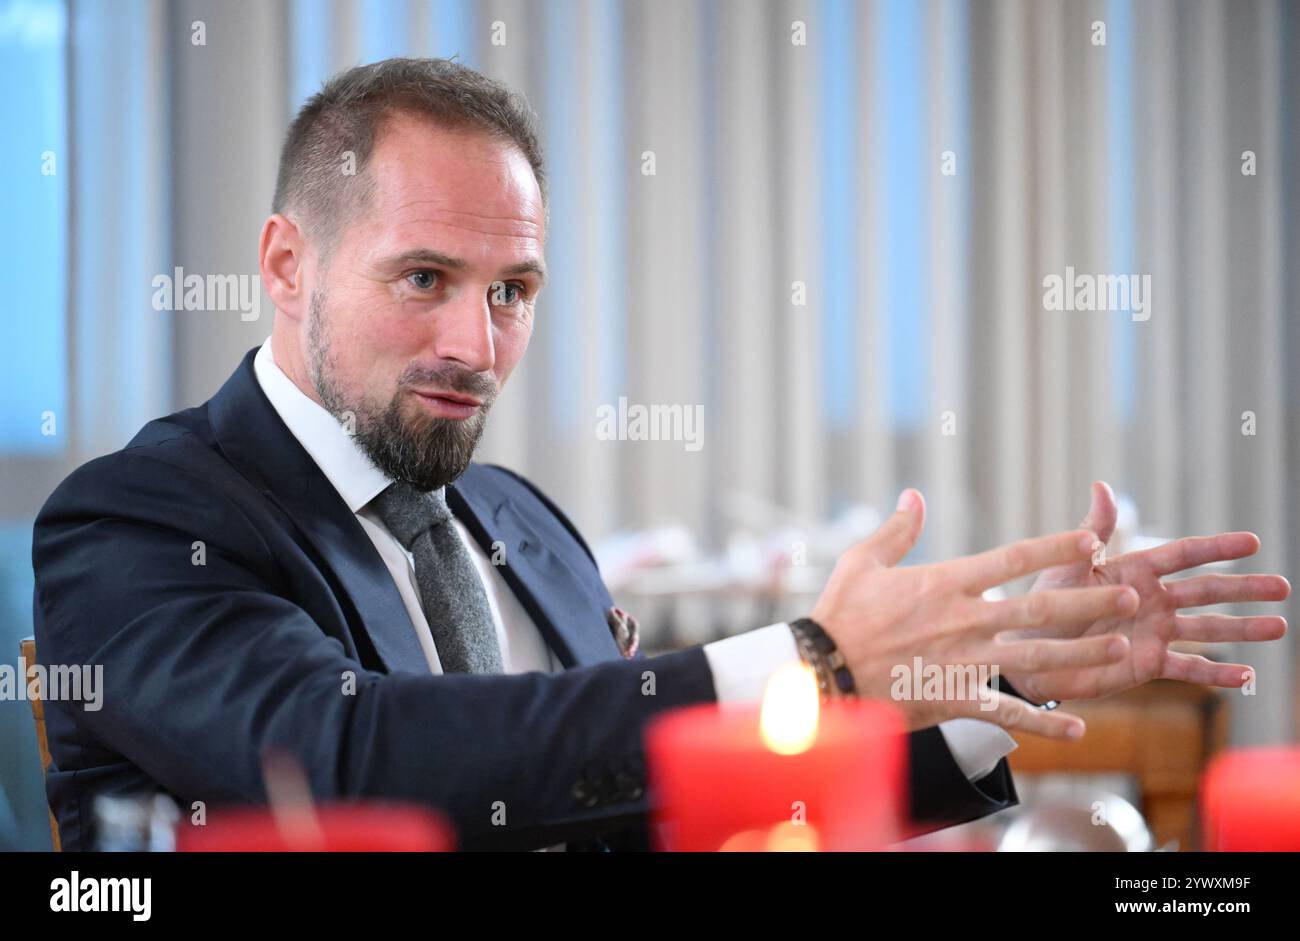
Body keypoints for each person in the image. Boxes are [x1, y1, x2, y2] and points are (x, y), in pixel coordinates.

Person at [31, 58, 1289, 852]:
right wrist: (812, 656)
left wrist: (988, 685)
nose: (477, 341)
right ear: (286, 263)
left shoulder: (520, 519)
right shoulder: (136, 520)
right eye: (425, 276)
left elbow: (663, 793)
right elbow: (356, 761)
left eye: (514, 289)